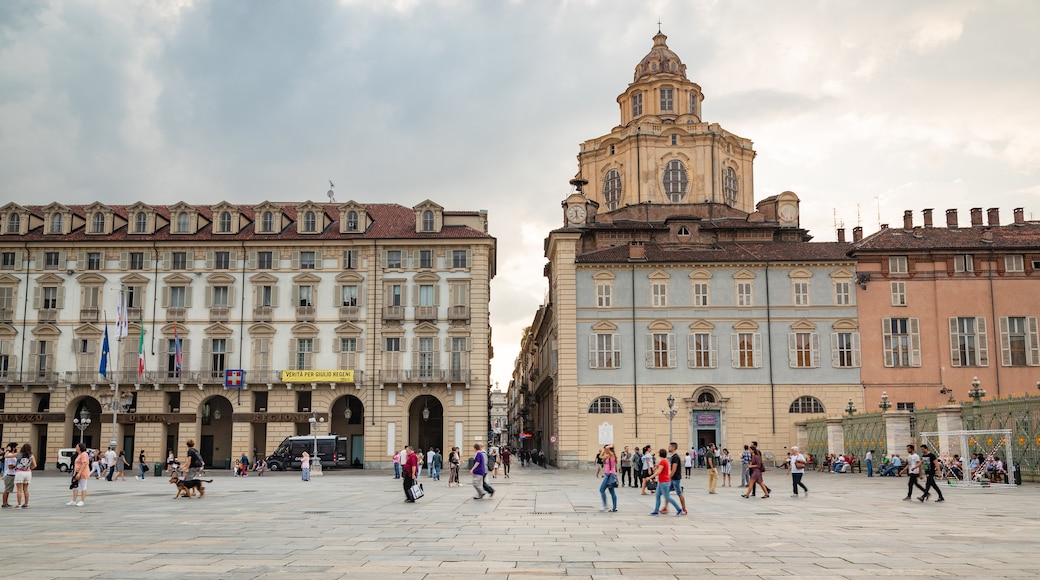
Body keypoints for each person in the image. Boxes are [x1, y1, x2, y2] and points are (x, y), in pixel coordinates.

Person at [649, 449, 683, 516]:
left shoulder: (663, 461)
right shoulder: (665, 461)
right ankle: (656, 510)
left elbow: (659, 472)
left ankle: (679, 509)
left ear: (659, 454)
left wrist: (650, 477)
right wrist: (657, 466)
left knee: (667, 497)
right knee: (657, 495)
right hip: (661, 482)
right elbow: (662, 468)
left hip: (664, 482)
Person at [12, 443, 35, 509]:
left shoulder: (19, 454)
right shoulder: (31, 456)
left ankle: (19, 504)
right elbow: (35, 465)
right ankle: (26, 504)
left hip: (20, 472)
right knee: (26, 489)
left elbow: (6, 456)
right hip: (28, 472)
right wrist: (29, 468)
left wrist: (9, 451)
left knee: (19, 489)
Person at [668, 442, 688, 515]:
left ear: (673, 448)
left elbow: (674, 469)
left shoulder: (675, 457)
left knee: (679, 493)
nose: (668, 448)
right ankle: (665, 507)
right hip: (673, 478)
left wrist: (669, 477)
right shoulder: (673, 457)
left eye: (669, 446)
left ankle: (684, 509)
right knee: (666, 492)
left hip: (675, 478)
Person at [68, 443, 90, 507]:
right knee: (75, 486)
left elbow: (84, 463)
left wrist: (79, 473)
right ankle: (73, 501)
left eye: (77, 446)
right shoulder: (79, 454)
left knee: (83, 486)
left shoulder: (84, 454)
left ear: (80, 448)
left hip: (82, 472)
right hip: (76, 472)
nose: (75, 447)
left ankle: (82, 501)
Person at [598, 445, 618, 512]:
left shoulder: (612, 455)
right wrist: (604, 450)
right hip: (608, 474)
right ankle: (614, 507)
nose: (605, 450)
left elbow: (607, 448)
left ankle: (605, 506)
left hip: (609, 475)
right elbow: (600, 457)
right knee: (612, 492)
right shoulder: (608, 456)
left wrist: (610, 446)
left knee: (602, 490)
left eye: (606, 450)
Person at [2, 442, 17, 508]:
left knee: (8, 489)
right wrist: (17, 466)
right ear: (12, 448)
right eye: (15, 447)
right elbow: (10, 466)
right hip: (9, 474)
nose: (16, 448)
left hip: (10, 474)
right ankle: (4, 503)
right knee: (7, 489)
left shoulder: (9, 454)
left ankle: (6, 502)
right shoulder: (10, 455)